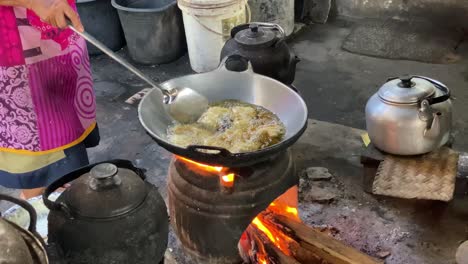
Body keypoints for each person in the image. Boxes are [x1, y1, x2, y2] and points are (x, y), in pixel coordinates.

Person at [0, 0, 99, 199]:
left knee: (69, 130)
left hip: (58, 32)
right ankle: (34, 208)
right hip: (16, 45)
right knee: (42, 158)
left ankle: (54, 189)